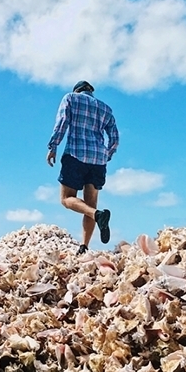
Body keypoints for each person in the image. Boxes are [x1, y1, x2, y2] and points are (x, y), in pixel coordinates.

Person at [46, 80, 119, 254]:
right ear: (91, 91)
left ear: (77, 90)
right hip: (98, 160)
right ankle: (84, 246)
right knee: (91, 203)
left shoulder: (71, 98)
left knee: (66, 199)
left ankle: (98, 215)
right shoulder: (106, 109)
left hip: (76, 155)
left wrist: (53, 146)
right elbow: (114, 137)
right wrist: (106, 154)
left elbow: (62, 122)